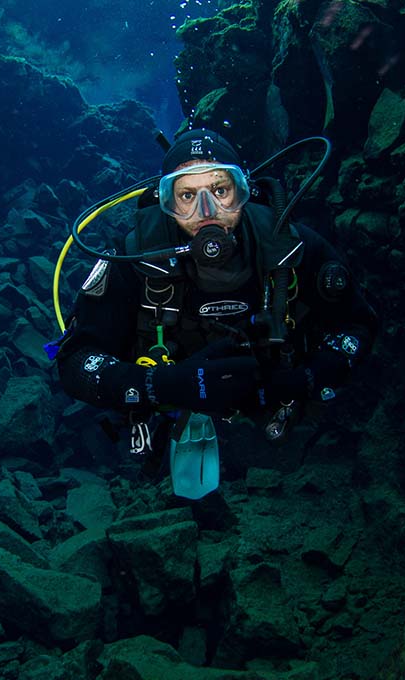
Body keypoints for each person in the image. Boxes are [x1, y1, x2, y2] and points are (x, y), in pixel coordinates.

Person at [55, 128, 378, 468]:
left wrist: (306, 378)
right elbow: (74, 360)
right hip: (171, 422)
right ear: (167, 202)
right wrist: (158, 385)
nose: (206, 211)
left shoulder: (290, 246)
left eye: (220, 190)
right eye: (187, 196)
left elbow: (359, 324)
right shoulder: (133, 259)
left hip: (280, 433)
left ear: (243, 190)